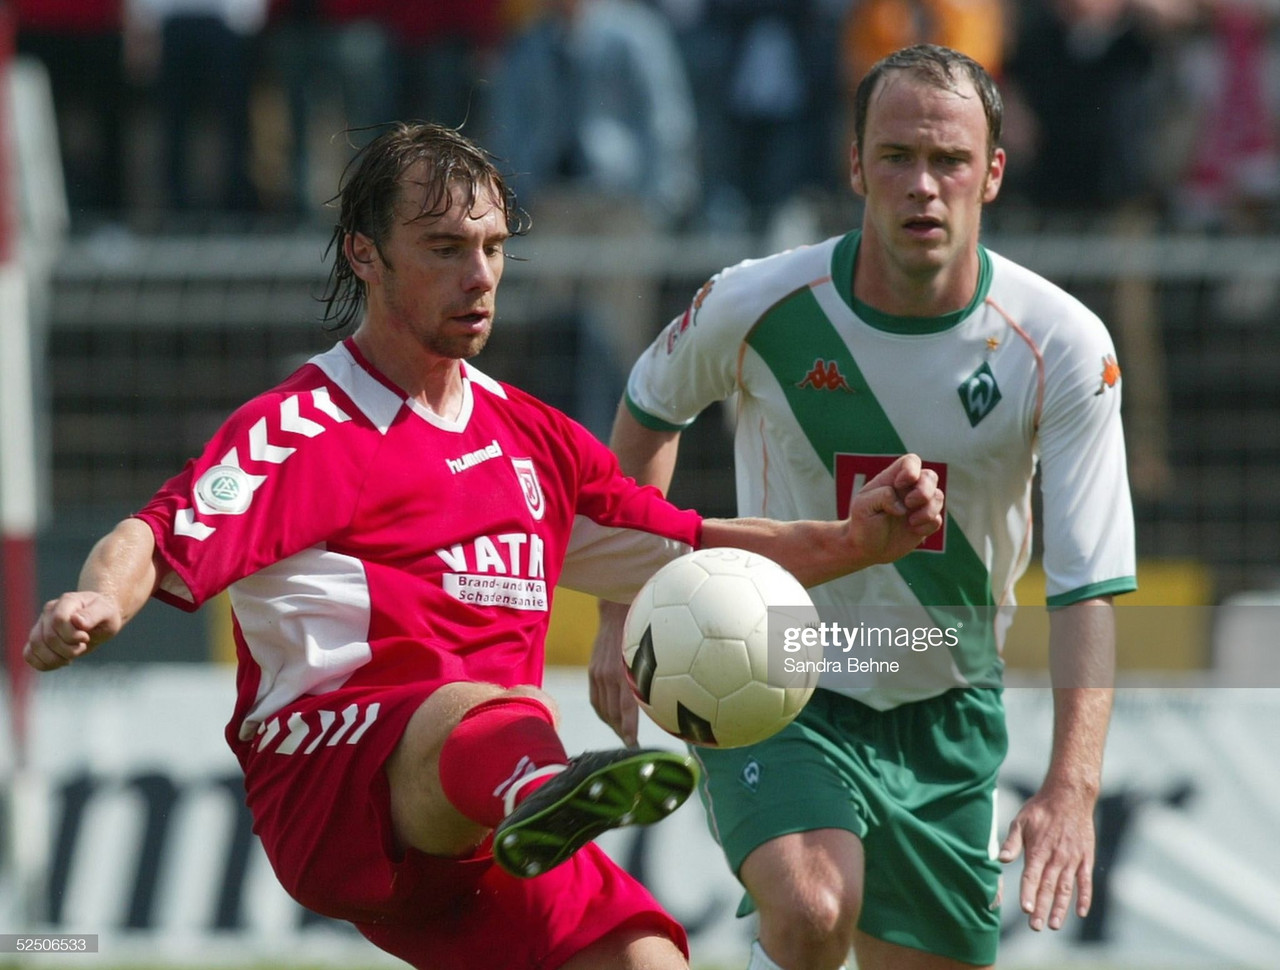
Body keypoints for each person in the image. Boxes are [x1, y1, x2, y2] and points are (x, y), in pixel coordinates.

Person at [24, 122, 944, 970]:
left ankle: (537, 792)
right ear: (365, 255)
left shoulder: (528, 438)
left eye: (494, 248)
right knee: (471, 705)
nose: (480, 275)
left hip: (497, 823)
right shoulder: (303, 429)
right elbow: (153, 533)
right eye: (445, 249)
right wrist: (98, 598)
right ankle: (543, 785)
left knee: (649, 963)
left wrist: (853, 541)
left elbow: (690, 546)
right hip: (338, 790)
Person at [591, 45, 1136, 970]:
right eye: (896, 157)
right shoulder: (757, 302)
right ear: (855, 167)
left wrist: (1072, 784)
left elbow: (1086, 585)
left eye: (950, 161)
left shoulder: (1063, 346)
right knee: (811, 909)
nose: (923, 186)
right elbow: (646, 420)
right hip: (772, 669)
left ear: (992, 174)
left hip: (947, 702)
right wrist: (616, 612)